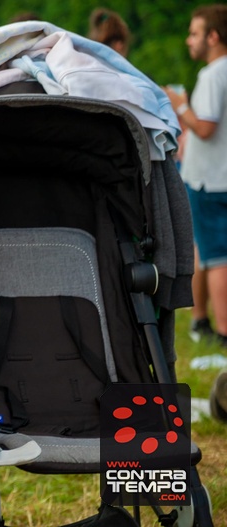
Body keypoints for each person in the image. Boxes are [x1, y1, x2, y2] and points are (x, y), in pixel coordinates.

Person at [163, 4, 227, 344]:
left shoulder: (214, 74)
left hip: (208, 179)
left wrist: (179, 104)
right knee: (206, 249)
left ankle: (222, 333)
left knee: (218, 257)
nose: (190, 41)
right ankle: (200, 319)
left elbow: (204, 127)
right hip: (220, 176)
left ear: (213, 37)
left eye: (195, 33)